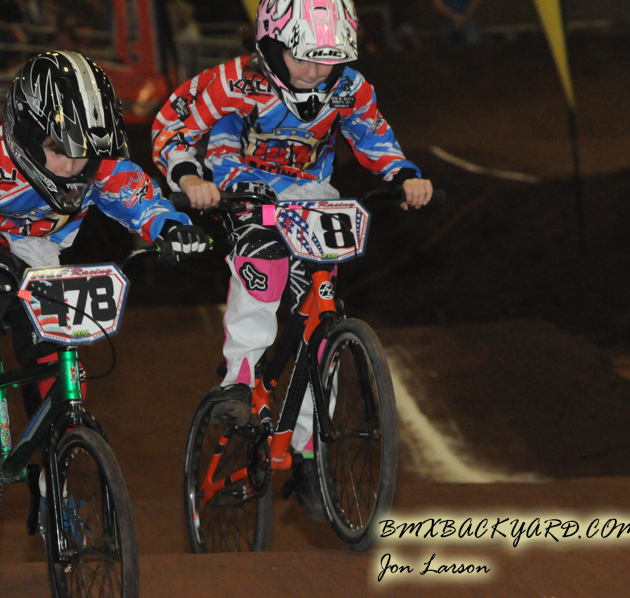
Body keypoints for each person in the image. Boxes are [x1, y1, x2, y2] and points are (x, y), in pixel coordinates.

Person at [152, 0, 432, 518]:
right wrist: (190, 178)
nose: (315, 72)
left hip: (310, 196)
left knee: (319, 320)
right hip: (241, 189)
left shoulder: (349, 87)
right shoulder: (233, 81)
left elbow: (372, 133)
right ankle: (239, 380)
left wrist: (402, 174)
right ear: (270, 43)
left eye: (329, 60)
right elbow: (172, 125)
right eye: (303, 58)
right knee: (263, 266)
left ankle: (309, 455)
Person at [0, 51, 209, 426]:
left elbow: (141, 200)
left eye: (84, 151)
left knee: (53, 351)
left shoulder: (101, 164)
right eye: (58, 149)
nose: (72, 166)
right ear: (26, 134)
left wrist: (172, 228)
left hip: (39, 246)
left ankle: (53, 444)